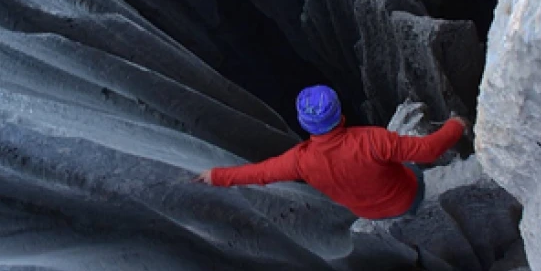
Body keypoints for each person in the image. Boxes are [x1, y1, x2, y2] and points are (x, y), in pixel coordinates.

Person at [195, 85, 466, 219]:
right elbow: (428, 151)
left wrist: (216, 176)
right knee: (413, 167)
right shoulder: (372, 140)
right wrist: (456, 124)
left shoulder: (300, 161)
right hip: (408, 197)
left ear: (304, 124)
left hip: (367, 212)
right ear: (339, 114)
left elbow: (261, 173)